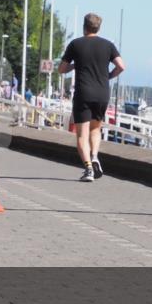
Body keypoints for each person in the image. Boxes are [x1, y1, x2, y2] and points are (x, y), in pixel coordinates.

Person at [58, 12, 126, 181]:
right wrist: (108, 76)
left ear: (84, 27)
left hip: (83, 93)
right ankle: (95, 156)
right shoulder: (108, 45)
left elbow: (61, 69)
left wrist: (74, 65)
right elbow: (121, 66)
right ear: (98, 27)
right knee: (96, 128)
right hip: (102, 93)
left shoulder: (75, 44)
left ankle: (88, 169)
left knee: (82, 134)